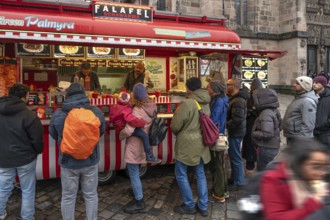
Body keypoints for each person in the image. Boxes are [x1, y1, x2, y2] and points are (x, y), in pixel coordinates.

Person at [49, 83, 106, 220]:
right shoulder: (95, 111)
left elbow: (53, 134)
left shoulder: (59, 114)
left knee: (68, 196)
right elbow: (101, 132)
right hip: (90, 160)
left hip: (68, 162)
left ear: (67, 96)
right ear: (84, 95)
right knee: (91, 194)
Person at [0, 83, 44, 220]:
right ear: (24, 97)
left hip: (4, 158)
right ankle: (27, 217)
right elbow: (37, 139)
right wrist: (37, 152)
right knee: (27, 190)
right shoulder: (29, 115)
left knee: (3, 188)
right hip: (26, 158)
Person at [260, 138, 330, 220]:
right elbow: (276, 217)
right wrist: (313, 203)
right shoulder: (274, 180)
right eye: (316, 167)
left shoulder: (316, 181)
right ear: (299, 165)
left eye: (324, 167)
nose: (321, 173)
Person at [170, 77, 211, 217]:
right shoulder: (206, 101)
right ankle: (203, 206)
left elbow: (175, 126)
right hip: (202, 143)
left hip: (187, 144)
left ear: (188, 88)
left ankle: (189, 205)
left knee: (181, 173)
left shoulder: (187, 103)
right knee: (200, 174)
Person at [119, 83, 157, 214]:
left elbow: (129, 130)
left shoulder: (137, 110)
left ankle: (139, 201)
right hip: (144, 143)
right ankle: (135, 190)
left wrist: (120, 135)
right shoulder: (152, 106)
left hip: (135, 145)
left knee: (133, 172)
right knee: (137, 168)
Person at [110, 91, 161, 162]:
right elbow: (131, 120)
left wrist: (113, 123)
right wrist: (142, 123)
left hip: (120, 127)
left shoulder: (115, 106)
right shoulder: (126, 109)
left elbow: (112, 117)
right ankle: (149, 155)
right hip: (124, 128)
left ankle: (149, 155)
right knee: (144, 135)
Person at [206, 80, 229, 203]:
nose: (207, 89)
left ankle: (219, 194)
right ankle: (222, 191)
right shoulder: (223, 99)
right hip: (220, 133)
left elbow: (214, 120)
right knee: (219, 165)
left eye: (208, 87)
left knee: (217, 165)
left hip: (216, 135)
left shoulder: (218, 101)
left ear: (214, 89)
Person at [226, 78, 249, 191]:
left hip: (236, 132)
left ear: (234, 86)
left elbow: (237, 119)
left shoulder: (238, 101)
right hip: (236, 131)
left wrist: (226, 125)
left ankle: (239, 181)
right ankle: (235, 178)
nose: (226, 86)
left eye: (228, 84)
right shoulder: (235, 99)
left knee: (236, 157)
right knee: (233, 155)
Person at [251, 88, 281, 171]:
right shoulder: (273, 110)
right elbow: (279, 126)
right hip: (271, 146)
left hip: (267, 147)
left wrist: (254, 133)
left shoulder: (266, 113)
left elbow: (267, 133)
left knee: (263, 172)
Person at [282, 76, 318, 145]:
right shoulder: (299, 97)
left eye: (297, 83)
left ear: (304, 86)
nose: (294, 85)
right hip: (292, 136)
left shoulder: (307, 101)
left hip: (298, 138)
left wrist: (302, 141)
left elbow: (308, 124)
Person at [242, 78, 263, 173]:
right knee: (251, 145)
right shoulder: (250, 97)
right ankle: (251, 164)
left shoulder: (254, 97)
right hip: (252, 124)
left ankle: (251, 164)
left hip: (255, 124)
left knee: (252, 145)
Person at [313, 75, 330, 149]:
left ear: (323, 84)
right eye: (313, 82)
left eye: (317, 83)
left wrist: (326, 123)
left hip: (325, 132)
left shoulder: (328, 97)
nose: (314, 84)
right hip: (312, 130)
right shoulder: (311, 96)